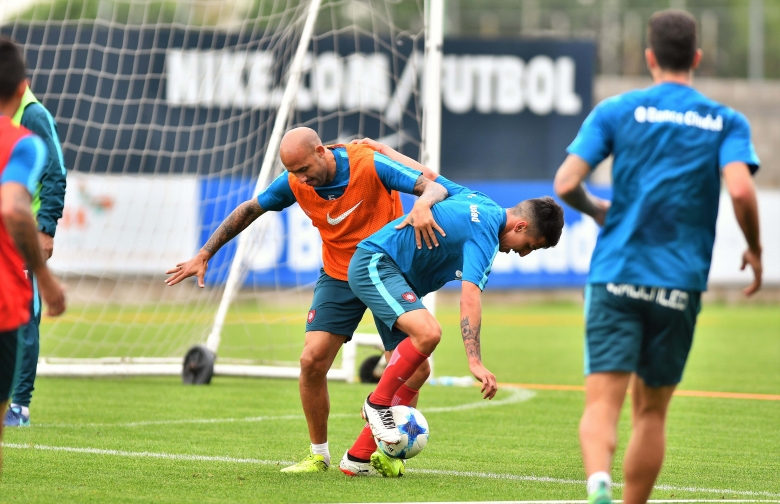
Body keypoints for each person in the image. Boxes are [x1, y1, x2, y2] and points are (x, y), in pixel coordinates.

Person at [553, 10, 762, 504]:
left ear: (649, 58)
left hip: (617, 275)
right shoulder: (724, 121)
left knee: (603, 403)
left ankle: (598, 482)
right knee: (651, 412)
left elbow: (565, 184)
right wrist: (754, 247)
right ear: (696, 58)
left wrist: (600, 211)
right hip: (678, 282)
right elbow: (741, 191)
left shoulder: (617, 110)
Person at [166, 127, 452, 473]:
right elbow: (250, 208)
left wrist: (422, 205)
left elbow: (435, 186)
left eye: (304, 169)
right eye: (292, 172)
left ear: (321, 151)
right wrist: (205, 253)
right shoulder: (294, 182)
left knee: (412, 368)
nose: (301, 179)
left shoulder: (369, 164)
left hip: (386, 272)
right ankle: (319, 454)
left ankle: (386, 452)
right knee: (311, 361)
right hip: (337, 275)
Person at [348, 180, 564, 477]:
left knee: (418, 371)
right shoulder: (486, 233)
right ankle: (377, 404)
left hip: (400, 281)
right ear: (521, 227)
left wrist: (381, 149)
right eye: (529, 246)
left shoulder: (481, 200)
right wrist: (474, 361)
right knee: (428, 333)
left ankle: (357, 458)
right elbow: (470, 296)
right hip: (378, 263)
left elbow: (428, 177)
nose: (523, 254)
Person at [0, 36, 66, 470]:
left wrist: (45, 227)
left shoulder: (34, 118)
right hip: (12, 235)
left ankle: (19, 404)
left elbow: (56, 171)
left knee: (26, 317)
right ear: (20, 82)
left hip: (20, 240)